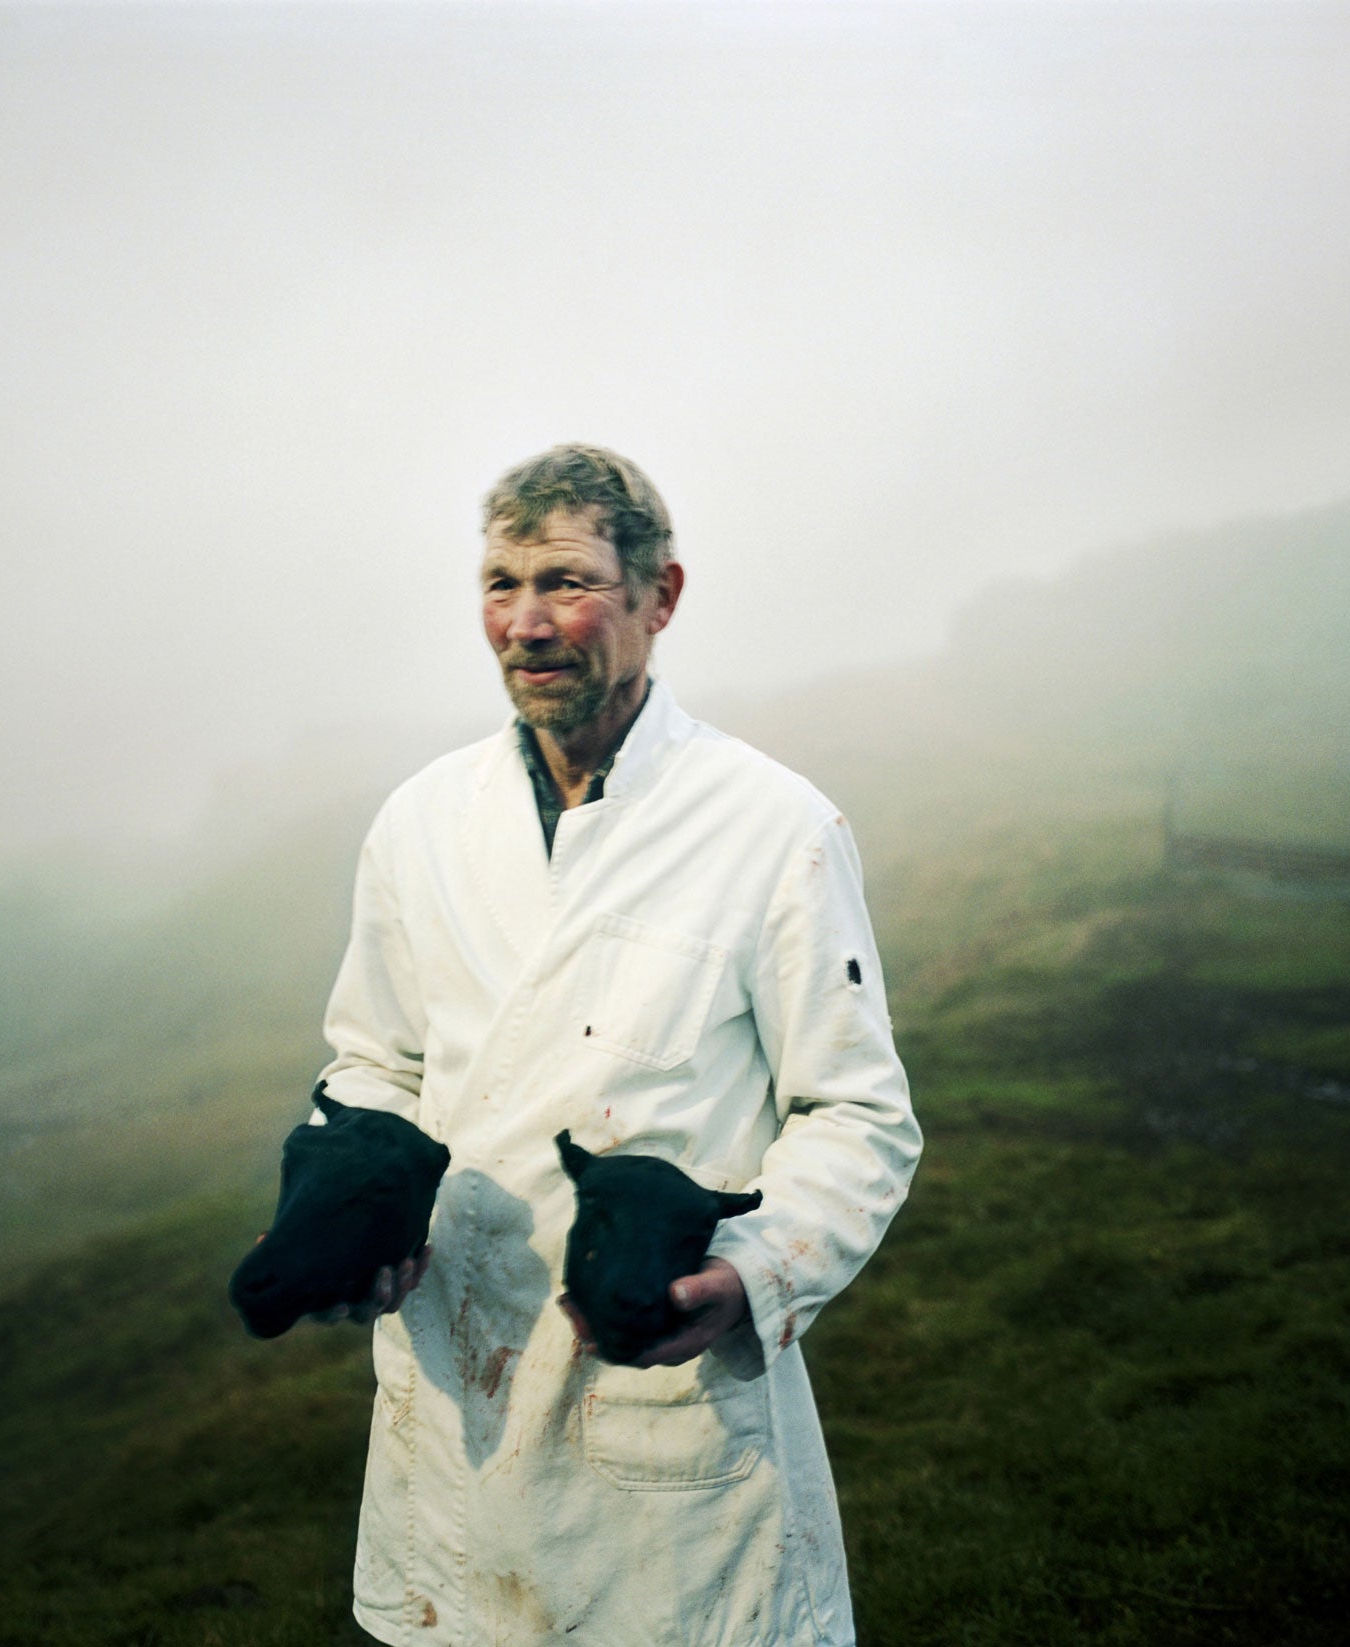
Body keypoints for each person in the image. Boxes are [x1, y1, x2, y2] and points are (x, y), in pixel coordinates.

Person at [314, 443, 920, 1645]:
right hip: (448, 1390)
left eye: (565, 581)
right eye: (499, 584)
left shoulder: (770, 828)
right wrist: (356, 1213)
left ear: (660, 597)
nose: (526, 624)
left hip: (659, 1415)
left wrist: (747, 1276)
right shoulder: (422, 822)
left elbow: (856, 1116)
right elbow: (369, 1066)